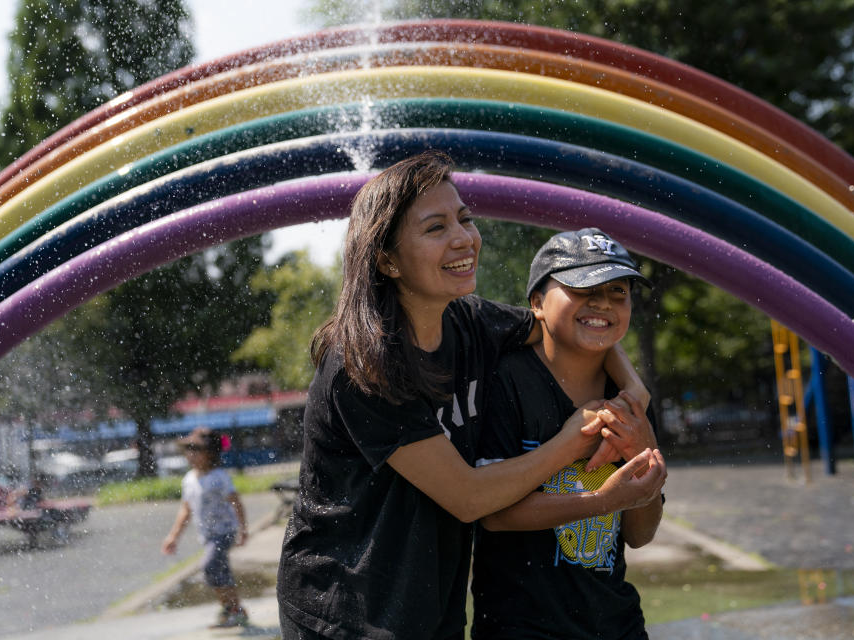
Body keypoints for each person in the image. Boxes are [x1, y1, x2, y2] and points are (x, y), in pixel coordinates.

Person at [276, 151, 653, 640]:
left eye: (465, 218)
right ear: (386, 260)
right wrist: (573, 442)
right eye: (435, 228)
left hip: (431, 604)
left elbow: (567, 326)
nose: (464, 238)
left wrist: (632, 387)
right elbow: (470, 498)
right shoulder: (365, 362)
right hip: (345, 608)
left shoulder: (470, 323)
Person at [472, 228, 667, 639]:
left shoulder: (628, 401)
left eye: (618, 291)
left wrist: (645, 476)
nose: (602, 302)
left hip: (617, 624)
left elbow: (640, 534)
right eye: (583, 287)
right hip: (523, 627)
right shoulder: (507, 381)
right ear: (538, 303)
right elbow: (493, 515)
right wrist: (602, 501)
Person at [161, 427, 250, 628]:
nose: (190, 455)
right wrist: (173, 536)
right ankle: (234, 610)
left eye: (196, 450)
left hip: (224, 532)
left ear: (210, 453)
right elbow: (186, 509)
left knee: (210, 566)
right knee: (220, 571)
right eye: (188, 450)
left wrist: (243, 529)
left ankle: (231, 609)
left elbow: (236, 502)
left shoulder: (219, 477)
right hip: (208, 535)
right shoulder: (189, 480)